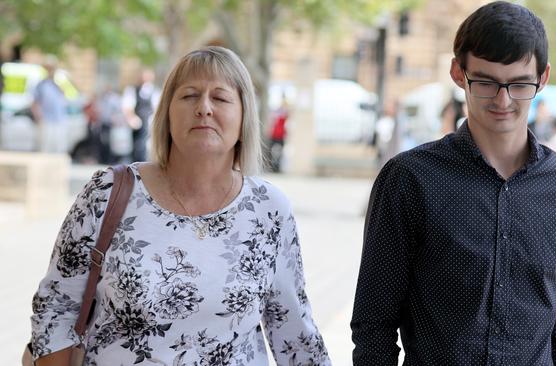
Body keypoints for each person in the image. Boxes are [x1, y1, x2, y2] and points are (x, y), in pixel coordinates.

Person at [29, 46, 330, 365]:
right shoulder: (107, 193)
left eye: (221, 97)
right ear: (166, 114)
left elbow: (295, 334)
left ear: (243, 116)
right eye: (189, 96)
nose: (204, 108)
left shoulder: (269, 209)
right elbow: (55, 311)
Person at [351, 2, 556, 365]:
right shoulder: (409, 179)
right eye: (485, 82)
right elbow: (374, 323)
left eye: (519, 84)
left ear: (542, 78)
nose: (503, 100)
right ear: (458, 72)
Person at [31, 56, 69, 153]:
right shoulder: (41, 85)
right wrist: (39, 118)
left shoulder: (57, 86)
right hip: (46, 121)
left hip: (58, 121)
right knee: (45, 148)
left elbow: (63, 102)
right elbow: (35, 104)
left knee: (58, 148)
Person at [123, 68, 160, 162]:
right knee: (137, 145)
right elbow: (128, 106)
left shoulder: (155, 91)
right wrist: (131, 118)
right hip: (137, 122)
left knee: (146, 146)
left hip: (150, 121)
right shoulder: (132, 90)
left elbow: (157, 107)